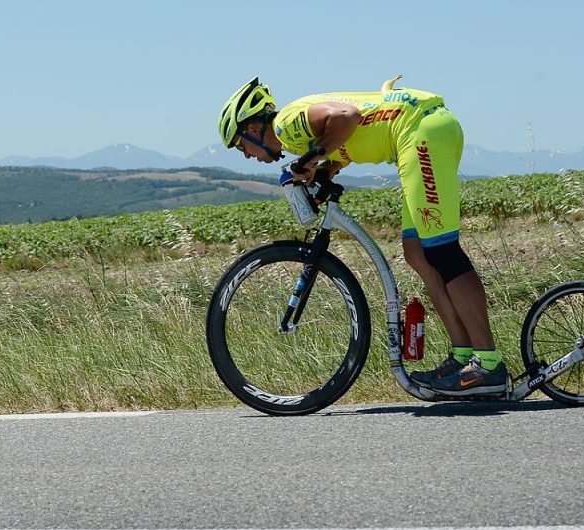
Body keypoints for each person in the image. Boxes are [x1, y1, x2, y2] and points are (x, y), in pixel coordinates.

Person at [217, 76, 508, 395]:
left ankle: (488, 365)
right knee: (417, 253)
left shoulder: (287, 124)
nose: (245, 155)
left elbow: (348, 118)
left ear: (254, 129)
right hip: (419, 132)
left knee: (442, 252)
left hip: (420, 133)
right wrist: (326, 169)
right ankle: (463, 356)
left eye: (239, 144)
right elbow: (350, 137)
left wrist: (313, 158)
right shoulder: (296, 137)